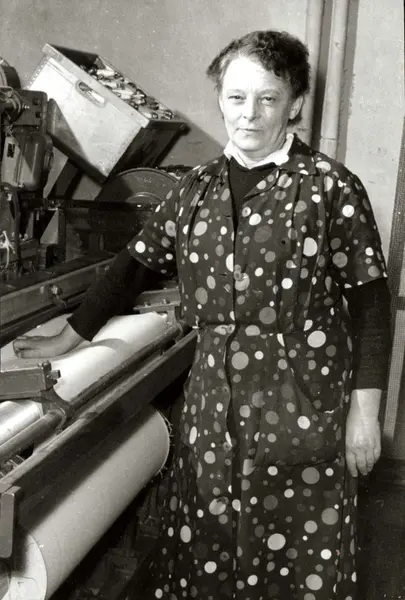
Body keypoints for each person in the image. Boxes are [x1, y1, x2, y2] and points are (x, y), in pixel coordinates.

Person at [14, 30, 391, 600]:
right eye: (237, 97)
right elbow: (131, 269)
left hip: (303, 407)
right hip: (213, 410)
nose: (250, 113)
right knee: (209, 554)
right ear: (220, 99)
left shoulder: (331, 189)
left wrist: (365, 414)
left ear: (294, 104)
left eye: (268, 98)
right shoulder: (195, 190)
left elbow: (370, 307)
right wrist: (68, 338)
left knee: (295, 558)